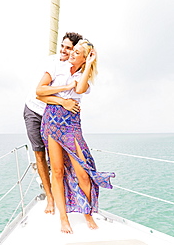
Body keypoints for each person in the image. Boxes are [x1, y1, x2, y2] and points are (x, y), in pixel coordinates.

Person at [37, 39, 115, 234]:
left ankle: (87, 212)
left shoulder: (83, 75)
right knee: (57, 171)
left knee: (83, 174)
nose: (71, 53)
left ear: (84, 57)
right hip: (52, 120)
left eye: (77, 52)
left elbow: (79, 89)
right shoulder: (57, 67)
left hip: (71, 125)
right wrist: (62, 100)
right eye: (73, 50)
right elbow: (40, 92)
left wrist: (88, 64)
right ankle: (63, 218)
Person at [23, 32, 83, 214]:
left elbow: (77, 95)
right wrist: (63, 100)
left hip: (55, 117)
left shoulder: (78, 70)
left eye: (69, 48)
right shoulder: (53, 63)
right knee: (40, 155)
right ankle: (49, 198)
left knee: (59, 160)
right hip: (34, 111)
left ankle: (66, 197)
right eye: (62, 46)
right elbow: (39, 92)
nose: (64, 51)